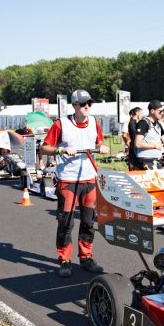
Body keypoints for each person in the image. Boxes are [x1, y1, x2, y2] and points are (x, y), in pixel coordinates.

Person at [40, 89, 110, 277]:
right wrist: (60, 151)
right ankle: (64, 260)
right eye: (83, 104)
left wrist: (101, 147)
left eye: (90, 103)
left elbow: (98, 143)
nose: (87, 106)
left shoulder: (94, 122)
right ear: (75, 105)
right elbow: (44, 148)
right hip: (68, 180)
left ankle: (86, 257)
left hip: (89, 178)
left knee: (88, 221)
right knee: (66, 222)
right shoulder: (61, 124)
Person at [134, 100, 164, 170]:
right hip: (145, 161)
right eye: (160, 111)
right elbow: (137, 144)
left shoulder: (158, 124)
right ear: (152, 111)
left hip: (156, 161)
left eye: (163, 111)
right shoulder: (143, 123)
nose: (162, 113)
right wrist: (154, 145)